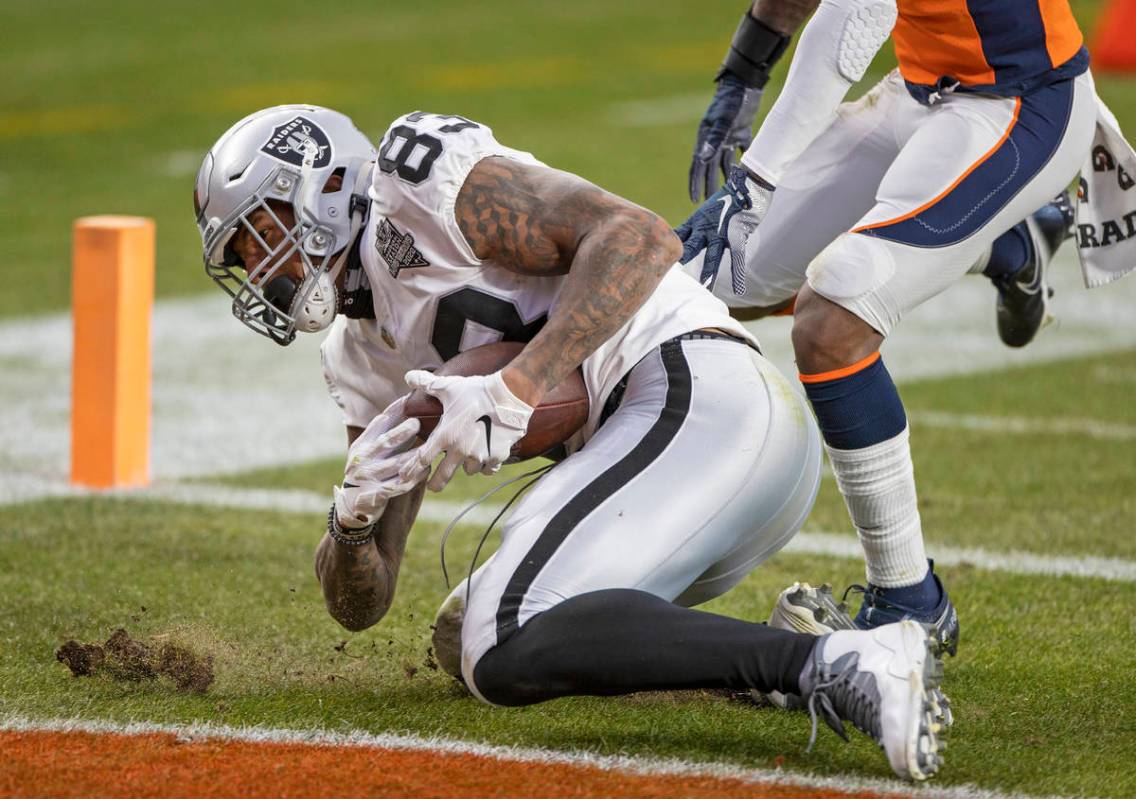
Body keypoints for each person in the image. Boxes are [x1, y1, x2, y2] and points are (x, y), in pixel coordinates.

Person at [193, 104, 947, 780]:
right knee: (469, 639)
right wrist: (352, 520)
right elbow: (364, 602)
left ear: (319, 190)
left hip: (698, 392)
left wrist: (519, 384)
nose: (257, 271)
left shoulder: (412, 181)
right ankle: (777, 656)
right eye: (240, 260)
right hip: (676, 467)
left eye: (258, 236)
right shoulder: (360, 357)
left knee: (506, 629)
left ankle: (843, 663)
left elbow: (638, 236)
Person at [678, 0, 1096, 652]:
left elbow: (853, 17)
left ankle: (909, 599)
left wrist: (754, 183)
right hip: (919, 92)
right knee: (714, 279)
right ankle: (1013, 246)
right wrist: (745, 68)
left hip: (1020, 107)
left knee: (833, 316)